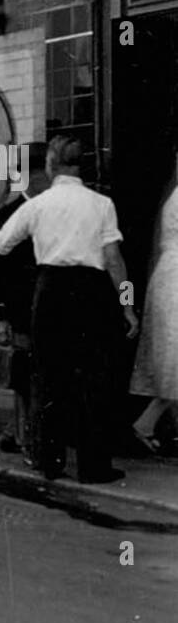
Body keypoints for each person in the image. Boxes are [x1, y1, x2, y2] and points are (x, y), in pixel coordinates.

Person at [0, 134, 138, 484]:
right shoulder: (102, 204)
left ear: (52, 165)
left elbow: (1, 246)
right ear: (80, 165)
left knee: (48, 378)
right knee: (93, 381)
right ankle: (94, 467)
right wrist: (127, 306)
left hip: (50, 292)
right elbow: (115, 262)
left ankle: (48, 461)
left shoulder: (38, 205)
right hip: (93, 293)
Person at [0, 143, 50, 454]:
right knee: (25, 374)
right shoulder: (7, 214)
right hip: (21, 309)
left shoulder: (53, 208)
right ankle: (24, 436)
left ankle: (18, 431)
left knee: (40, 372)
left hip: (50, 306)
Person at [128, 146, 178, 455]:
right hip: (175, 279)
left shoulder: (172, 195)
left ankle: (147, 423)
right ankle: (145, 423)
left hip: (168, 274)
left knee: (172, 359)